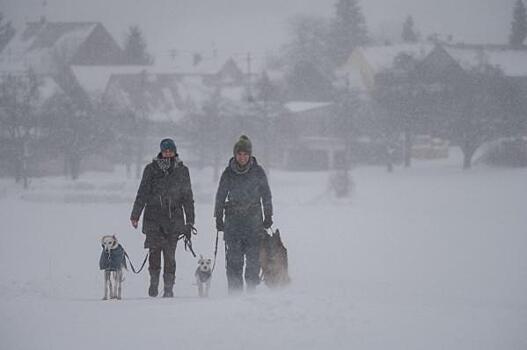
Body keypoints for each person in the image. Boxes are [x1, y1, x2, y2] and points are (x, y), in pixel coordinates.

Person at [130, 138, 195, 298]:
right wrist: (135, 214)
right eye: (165, 151)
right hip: (153, 217)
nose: (167, 153)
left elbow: (188, 197)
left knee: (170, 255)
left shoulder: (182, 170)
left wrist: (190, 219)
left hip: (174, 219)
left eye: (170, 151)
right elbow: (142, 192)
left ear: (174, 152)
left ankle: (168, 287)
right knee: (154, 252)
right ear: (161, 151)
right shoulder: (151, 169)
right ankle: (153, 282)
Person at [214, 135, 273, 294]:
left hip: (254, 222)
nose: (242, 157)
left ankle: (251, 292)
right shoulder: (228, 173)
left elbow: (266, 195)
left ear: (250, 155)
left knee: (253, 260)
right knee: (234, 260)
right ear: (235, 154)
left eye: (245, 154)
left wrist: (268, 216)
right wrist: (218, 218)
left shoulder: (258, 172)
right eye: (239, 154)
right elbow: (220, 196)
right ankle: (234, 293)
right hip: (233, 223)